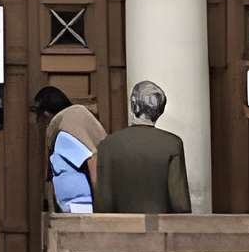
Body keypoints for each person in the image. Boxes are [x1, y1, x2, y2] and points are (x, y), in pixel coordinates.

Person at [90, 79, 192, 215]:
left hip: (120, 230)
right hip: (161, 231)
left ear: (134, 105)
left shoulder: (108, 145)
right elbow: (180, 204)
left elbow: (103, 203)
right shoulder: (173, 144)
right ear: (160, 110)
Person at [32, 82, 105, 214]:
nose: (38, 123)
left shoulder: (65, 133)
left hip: (81, 216)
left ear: (46, 114)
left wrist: (101, 210)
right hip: (83, 213)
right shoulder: (75, 121)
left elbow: (93, 161)